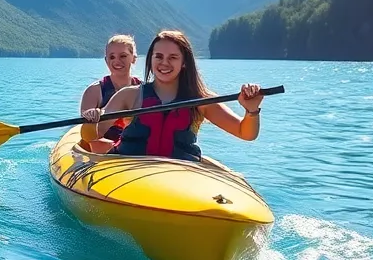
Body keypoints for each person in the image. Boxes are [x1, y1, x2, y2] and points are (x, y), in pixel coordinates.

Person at [80, 30, 264, 162]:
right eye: (158, 56)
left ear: (184, 62)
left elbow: (244, 133)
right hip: (128, 168)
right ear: (150, 60)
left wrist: (252, 111)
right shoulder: (129, 95)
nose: (164, 63)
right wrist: (91, 121)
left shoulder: (201, 100)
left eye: (173, 57)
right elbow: (92, 136)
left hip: (177, 174)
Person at [77, 34, 141, 153]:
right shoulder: (94, 91)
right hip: (100, 150)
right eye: (112, 57)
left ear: (133, 58)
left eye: (123, 56)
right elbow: (88, 136)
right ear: (106, 60)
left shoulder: (143, 89)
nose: (117, 61)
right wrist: (91, 116)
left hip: (133, 148)